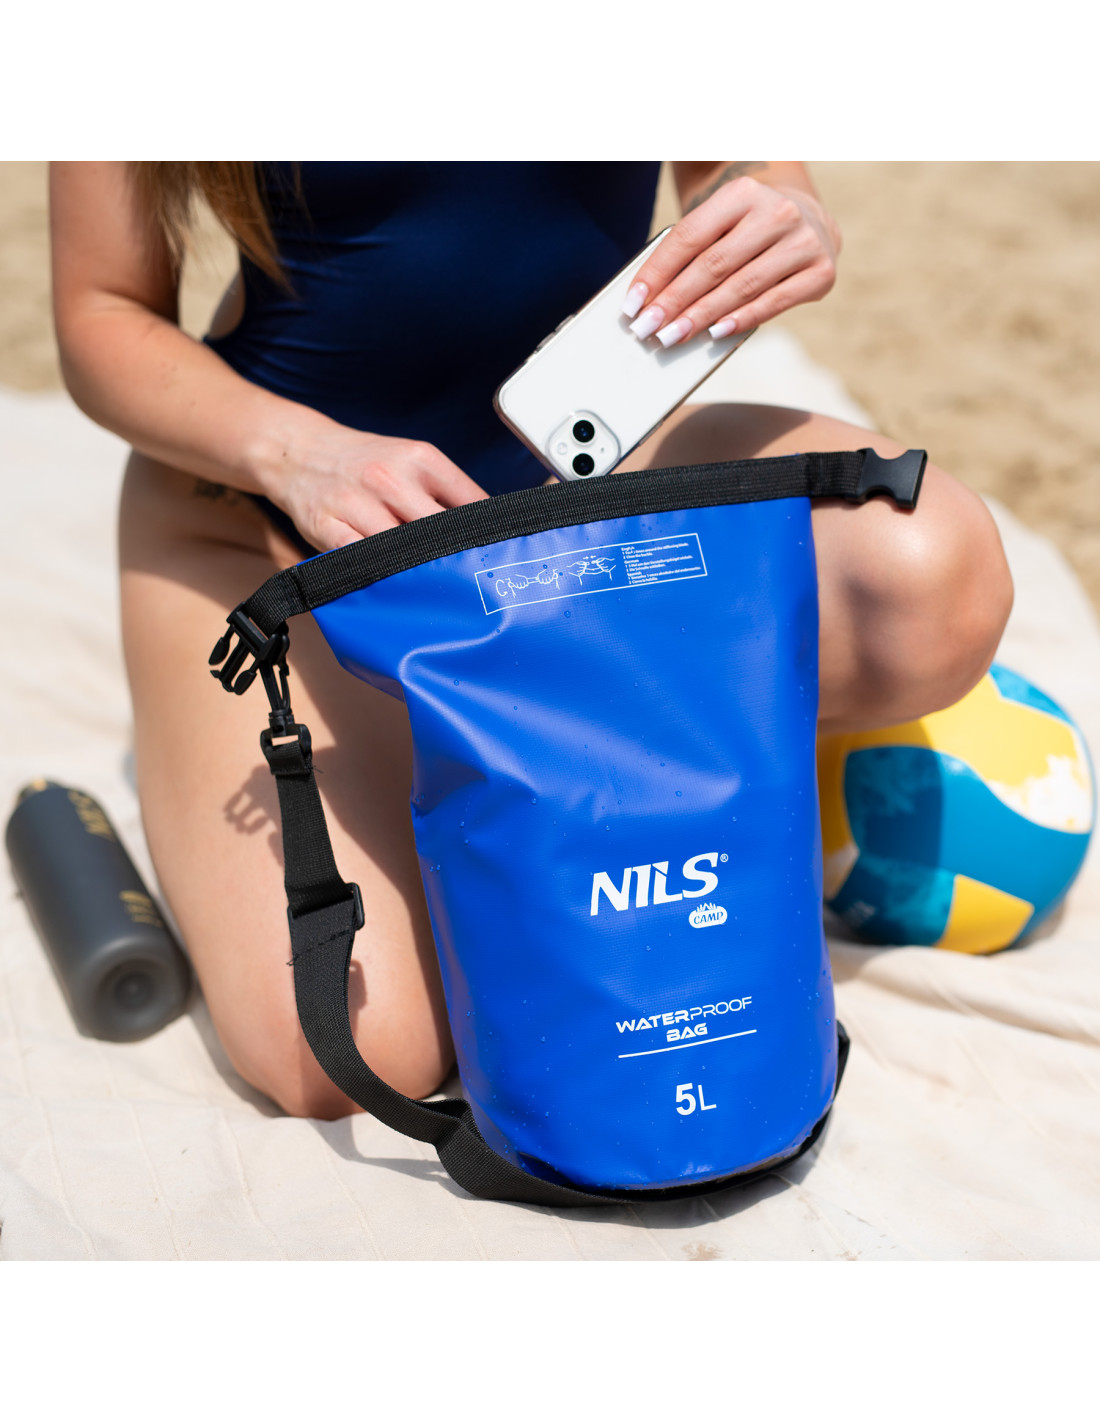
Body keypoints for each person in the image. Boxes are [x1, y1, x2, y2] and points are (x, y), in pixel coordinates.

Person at [50, 161, 1013, 1118]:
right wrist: (299, 456)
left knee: (932, 583)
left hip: (586, 471)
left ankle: (669, 754)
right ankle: (595, 747)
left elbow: (738, 168)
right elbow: (101, 312)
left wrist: (788, 213)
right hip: (276, 517)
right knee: (347, 1046)